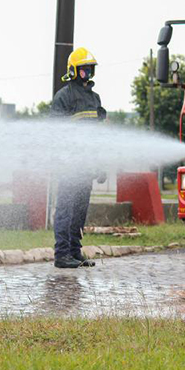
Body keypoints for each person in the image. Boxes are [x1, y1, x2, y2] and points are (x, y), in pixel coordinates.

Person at [51, 47, 107, 269]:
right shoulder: (63, 97)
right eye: (84, 70)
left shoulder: (95, 98)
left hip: (87, 166)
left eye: (90, 69)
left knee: (80, 210)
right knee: (65, 209)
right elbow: (55, 132)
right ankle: (61, 254)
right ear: (74, 71)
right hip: (69, 165)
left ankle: (74, 251)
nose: (88, 74)